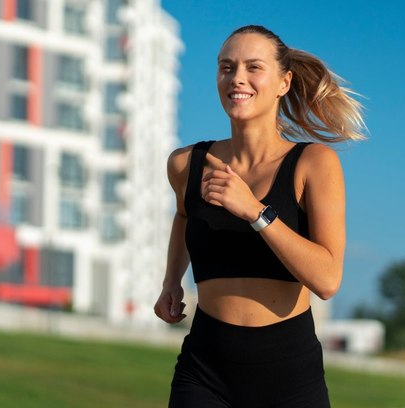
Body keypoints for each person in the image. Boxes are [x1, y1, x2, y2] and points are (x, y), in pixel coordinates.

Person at [153, 24, 366, 408]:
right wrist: (171, 281)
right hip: (204, 369)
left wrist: (255, 211)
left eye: (254, 67)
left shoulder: (313, 164)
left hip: (288, 375)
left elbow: (327, 279)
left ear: (284, 82)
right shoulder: (186, 164)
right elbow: (184, 216)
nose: (237, 79)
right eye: (227, 67)